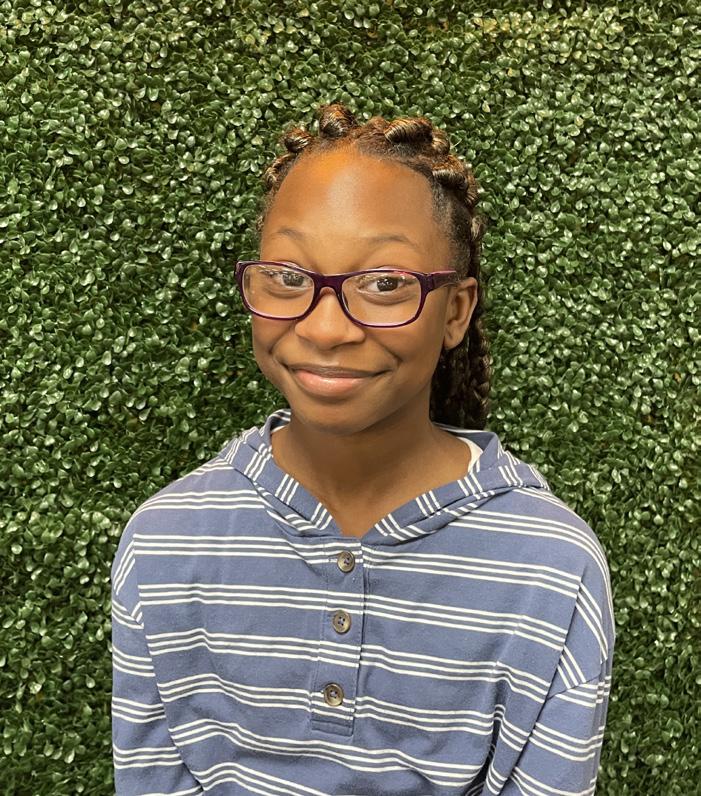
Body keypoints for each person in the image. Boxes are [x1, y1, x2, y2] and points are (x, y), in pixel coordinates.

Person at [111, 102, 615, 795]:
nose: (326, 329)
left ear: (455, 311)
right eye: (289, 277)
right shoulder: (163, 542)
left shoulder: (551, 567)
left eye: (384, 284)